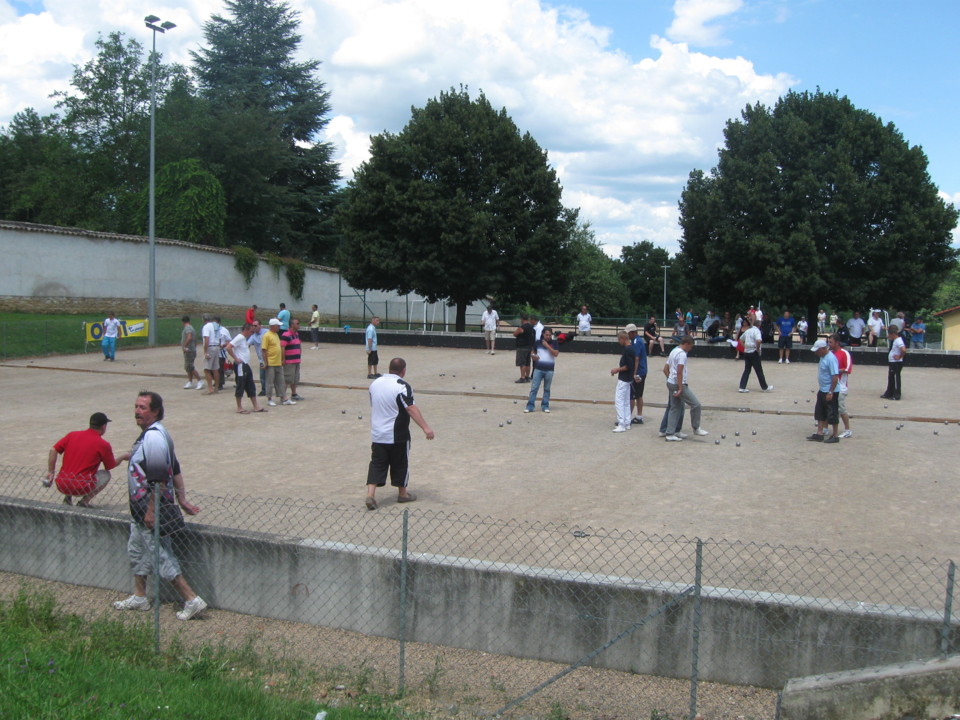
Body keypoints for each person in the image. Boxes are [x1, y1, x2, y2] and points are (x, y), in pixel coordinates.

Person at [112, 391, 206, 620]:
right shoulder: (153, 435)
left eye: (143, 407)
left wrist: (151, 511)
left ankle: (191, 599)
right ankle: (140, 596)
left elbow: (159, 479)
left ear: (155, 411)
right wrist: (182, 500)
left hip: (148, 509)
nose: (137, 411)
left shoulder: (153, 438)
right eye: (136, 406)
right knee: (136, 551)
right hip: (140, 511)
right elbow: (175, 468)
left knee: (161, 554)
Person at [365, 358, 434, 510]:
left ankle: (370, 495)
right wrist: (425, 428)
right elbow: (410, 408)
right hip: (397, 434)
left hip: (377, 433)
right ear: (403, 370)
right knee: (401, 462)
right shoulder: (402, 386)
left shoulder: (374, 384)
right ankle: (403, 494)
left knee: (377, 463)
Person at [46, 412, 128, 507]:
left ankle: (67, 498)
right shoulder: (103, 444)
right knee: (105, 475)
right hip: (81, 487)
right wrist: (123, 457)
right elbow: (110, 465)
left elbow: (53, 450)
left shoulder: (72, 435)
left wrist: (51, 472)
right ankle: (84, 502)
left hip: (62, 484)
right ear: (104, 426)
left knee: (73, 466)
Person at [664, 336, 709, 442]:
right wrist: (680, 387)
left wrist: (670, 380)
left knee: (675, 407)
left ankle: (671, 432)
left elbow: (665, 369)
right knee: (696, 404)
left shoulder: (673, 351)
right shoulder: (682, 354)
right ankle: (696, 428)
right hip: (678, 384)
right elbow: (679, 372)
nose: (691, 349)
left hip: (671, 382)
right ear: (687, 344)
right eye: (691, 347)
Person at [225, 323, 266, 414]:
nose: (252, 333)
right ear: (246, 330)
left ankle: (256, 406)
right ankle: (239, 407)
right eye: (251, 331)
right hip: (241, 365)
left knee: (250, 384)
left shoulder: (244, 339)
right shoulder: (239, 337)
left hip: (245, 364)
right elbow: (228, 347)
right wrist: (236, 358)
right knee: (241, 385)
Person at [808, 339, 840, 443]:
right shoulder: (822, 357)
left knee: (833, 413)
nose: (816, 353)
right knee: (819, 412)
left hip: (830, 391)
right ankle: (819, 433)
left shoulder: (831, 358)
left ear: (823, 349)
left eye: (817, 350)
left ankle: (835, 435)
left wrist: (830, 392)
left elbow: (835, 376)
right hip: (822, 389)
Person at [525, 327, 559, 413]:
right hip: (538, 369)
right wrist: (533, 356)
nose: (548, 336)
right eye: (546, 335)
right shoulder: (537, 343)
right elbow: (534, 352)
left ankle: (545, 405)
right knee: (534, 388)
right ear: (543, 334)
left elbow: (555, 354)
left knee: (547, 389)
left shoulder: (554, 343)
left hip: (549, 370)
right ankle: (530, 406)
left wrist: (547, 346)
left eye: (549, 335)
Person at [738, 316, 772, 393]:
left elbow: (740, 339)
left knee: (747, 370)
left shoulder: (748, 330)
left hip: (747, 352)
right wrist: (757, 349)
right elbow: (759, 340)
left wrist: (744, 347)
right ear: (759, 325)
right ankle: (764, 387)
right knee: (759, 370)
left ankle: (742, 387)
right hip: (753, 352)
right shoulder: (757, 331)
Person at [828, 333, 853, 438]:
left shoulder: (844, 353)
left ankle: (848, 430)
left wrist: (835, 370)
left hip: (841, 386)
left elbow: (848, 369)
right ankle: (825, 429)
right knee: (829, 407)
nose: (829, 344)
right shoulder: (829, 353)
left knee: (841, 409)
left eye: (831, 342)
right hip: (831, 386)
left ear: (837, 343)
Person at [610, 330, 636, 433]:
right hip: (628, 379)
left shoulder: (628, 350)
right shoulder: (631, 349)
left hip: (624, 379)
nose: (618, 341)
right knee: (625, 401)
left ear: (623, 338)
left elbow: (628, 366)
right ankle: (626, 422)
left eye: (619, 339)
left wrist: (617, 370)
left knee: (619, 401)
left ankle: (621, 423)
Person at [263, 318, 290, 407]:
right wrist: (265, 362)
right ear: (273, 326)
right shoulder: (267, 335)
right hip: (271, 362)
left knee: (281, 381)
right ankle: (269, 398)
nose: (279, 327)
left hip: (278, 362)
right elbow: (264, 350)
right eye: (278, 325)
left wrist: (282, 359)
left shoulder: (276, 335)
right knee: (270, 382)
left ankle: (283, 397)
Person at [626, 323, 648, 424]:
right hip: (642, 370)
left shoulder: (636, 341)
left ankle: (627, 417)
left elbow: (636, 358)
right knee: (638, 395)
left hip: (639, 371)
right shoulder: (637, 340)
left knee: (632, 395)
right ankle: (639, 416)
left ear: (633, 332)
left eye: (628, 333)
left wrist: (633, 373)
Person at [881, 325, 907, 400]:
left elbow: (904, 350)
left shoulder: (898, 340)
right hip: (893, 362)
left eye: (889, 334)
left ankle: (896, 395)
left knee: (896, 378)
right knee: (891, 377)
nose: (888, 335)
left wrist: (899, 357)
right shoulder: (895, 340)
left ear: (892, 334)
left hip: (896, 362)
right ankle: (889, 393)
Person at [281, 318, 303, 401]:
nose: (298, 325)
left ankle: (294, 394)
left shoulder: (296, 334)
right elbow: (282, 347)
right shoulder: (286, 335)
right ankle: (283, 396)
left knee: (295, 379)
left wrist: (299, 355)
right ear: (292, 325)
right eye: (297, 323)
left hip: (296, 360)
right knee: (287, 379)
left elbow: (299, 345)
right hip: (289, 361)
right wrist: (283, 359)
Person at [180, 316, 203, 389]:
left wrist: (185, 346)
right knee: (188, 367)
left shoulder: (188, 328)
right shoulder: (191, 328)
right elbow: (194, 339)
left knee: (189, 366)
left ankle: (199, 380)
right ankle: (190, 381)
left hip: (189, 350)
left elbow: (189, 337)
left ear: (183, 322)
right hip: (191, 349)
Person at [200, 314, 221, 394]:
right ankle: (216, 388)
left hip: (210, 347)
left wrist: (205, 351)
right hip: (216, 347)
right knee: (215, 369)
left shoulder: (206, 327)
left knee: (206, 369)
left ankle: (210, 388)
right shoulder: (216, 326)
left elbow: (206, 339)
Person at [248, 319, 268, 397]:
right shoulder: (253, 336)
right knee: (262, 376)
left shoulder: (266, 332)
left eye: (255, 325)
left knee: (273, 375)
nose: (253, 327)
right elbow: (247, 344)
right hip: (261, 359)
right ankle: (264, 390)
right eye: (252, 326)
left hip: (270, 357)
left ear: (260, 325)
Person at [513, 314, 534, 383]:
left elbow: (515, 334)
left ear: (522, 319)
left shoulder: (522, 327)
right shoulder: (531, 327)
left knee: (522, 363)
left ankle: (522, 377)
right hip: (529, 347)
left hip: (522, 347)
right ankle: (527, 377)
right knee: (528, 363)